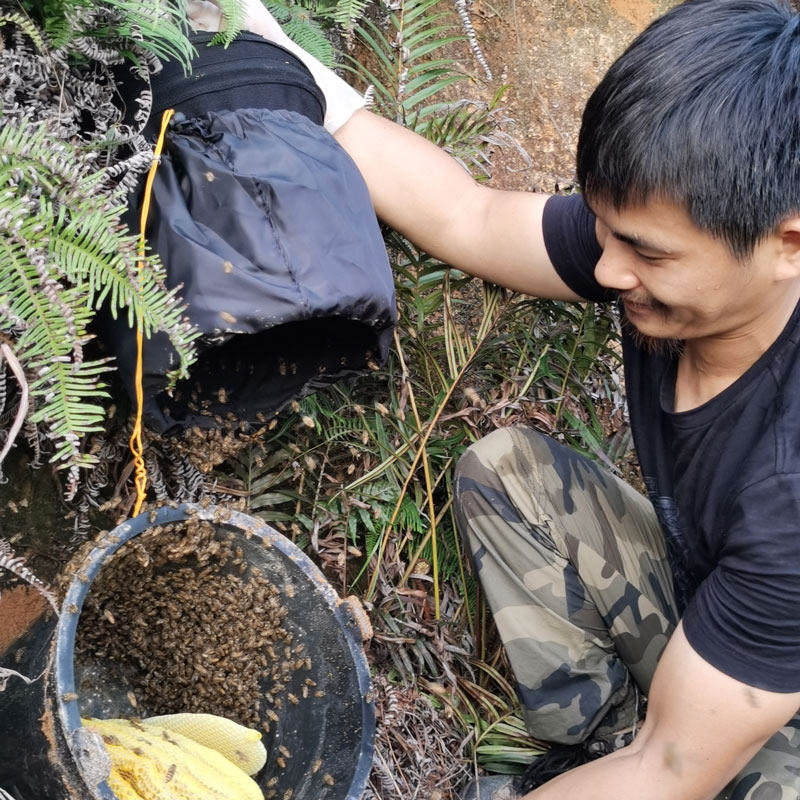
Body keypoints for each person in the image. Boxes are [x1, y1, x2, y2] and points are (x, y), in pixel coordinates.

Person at [191, 1, 800, 798]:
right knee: (508, 471)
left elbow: (671, 770)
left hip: (773, 708)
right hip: (718, 610)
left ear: (788, 241)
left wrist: (657, 760)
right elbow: (467, 213)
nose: (608, 271)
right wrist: (279, 64)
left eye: (644, 252)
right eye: (606, 230)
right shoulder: (678, 247)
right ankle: (592, 745)